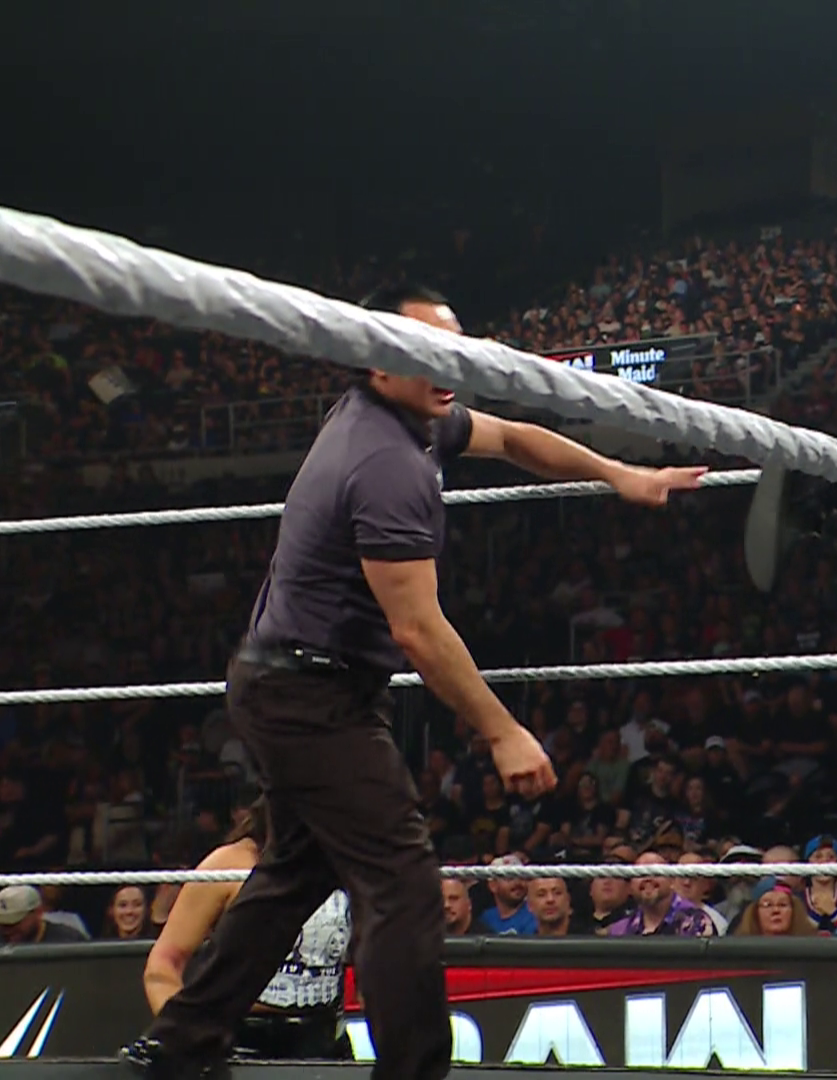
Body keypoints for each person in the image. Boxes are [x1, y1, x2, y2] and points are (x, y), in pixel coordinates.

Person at [123, 283, 708, 1080]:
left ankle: (184, 1042)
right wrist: (503, 731)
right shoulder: (386, 461)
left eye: (454, 353)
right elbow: (419, 630)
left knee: (296, 871)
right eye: (427, 354)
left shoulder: (412, 416)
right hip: (307, 694)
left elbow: (513, 437)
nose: (447, 369)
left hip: (300, 683)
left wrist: (619, 473)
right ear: (376, 363)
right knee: (402, 883)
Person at [139, 798, 353, 1060]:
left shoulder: (342, 862)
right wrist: (185, 1035)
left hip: (325, 1041)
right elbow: (163, 962)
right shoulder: (230, 864)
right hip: (242, 1041)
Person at [0, 885, 90, 945]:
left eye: (14, 923)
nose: (7, 930)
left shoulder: (69, 941)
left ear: (38, 912)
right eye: (2, 923)